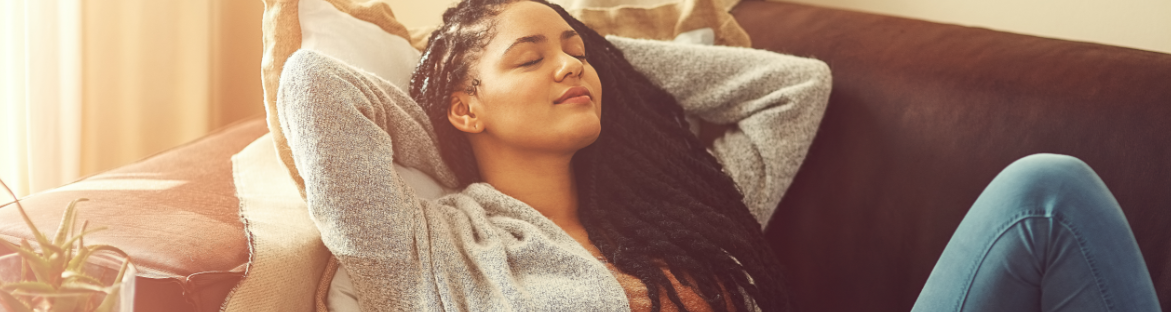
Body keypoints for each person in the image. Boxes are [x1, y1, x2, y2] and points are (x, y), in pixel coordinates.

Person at [277, 0, 1160, 311]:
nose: (569, 65)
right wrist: (445, 111)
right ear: (465, 104)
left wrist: (605, 54)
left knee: (1046, 193)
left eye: (575, 49)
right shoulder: (425, 245)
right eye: (531, 56)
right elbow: (318, 79)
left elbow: (792, 90)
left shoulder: (680, 211)